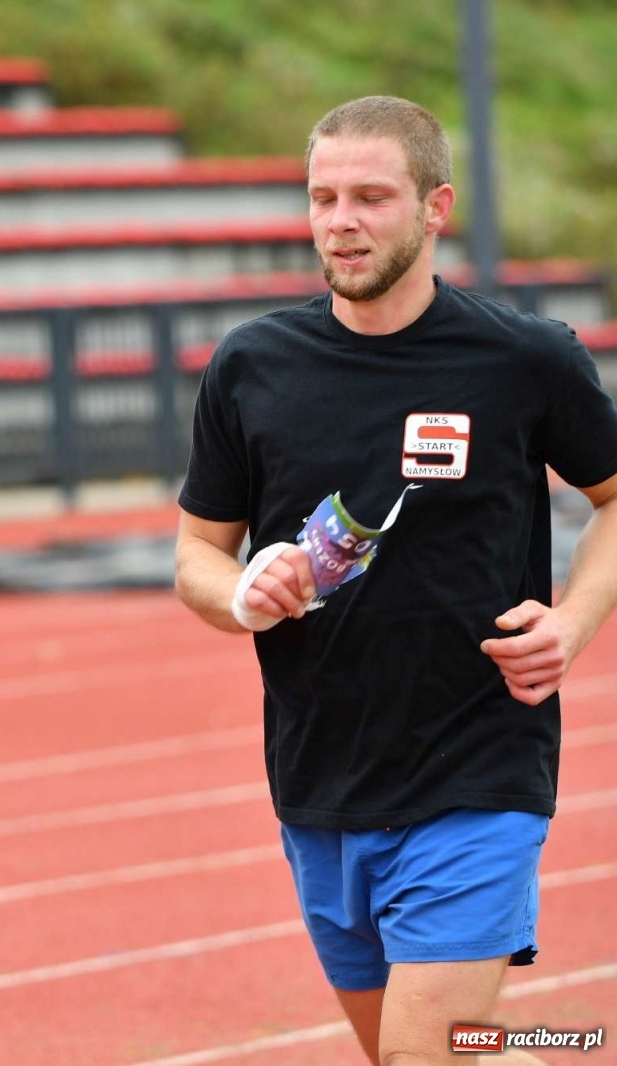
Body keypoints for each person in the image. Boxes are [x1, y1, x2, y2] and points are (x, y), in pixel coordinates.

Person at [174, 95, 617, 1065]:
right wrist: (246, 591)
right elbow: (197, 557)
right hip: (318, 774)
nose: (341, 220)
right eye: (322, 196)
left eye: (371, 196)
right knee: (442, 1054)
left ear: (434, 208)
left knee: (428, 1054)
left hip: (477, 765)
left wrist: (573, 623)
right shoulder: (252, 365)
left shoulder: (523, 358)